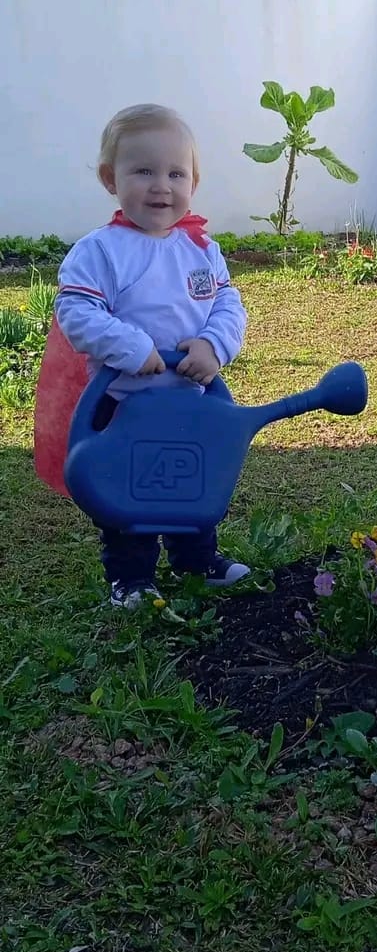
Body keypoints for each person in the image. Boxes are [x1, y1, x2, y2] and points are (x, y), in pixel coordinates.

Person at [53, 103, 250, 609]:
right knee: (130, 487)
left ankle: (197, 559)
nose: (161, 186)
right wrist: (132, 347)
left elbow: (227, 305)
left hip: (190, 397)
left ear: (193, 181)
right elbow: (76, 311)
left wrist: (213, 345)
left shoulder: (201, 248)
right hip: (122, 400)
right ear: (110, 179)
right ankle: (131, 577)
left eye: (175, 174)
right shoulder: (100, 251)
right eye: (143, 171)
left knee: (192, 476)